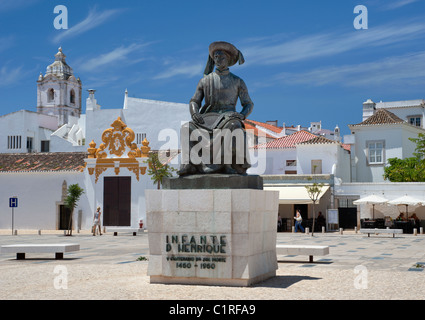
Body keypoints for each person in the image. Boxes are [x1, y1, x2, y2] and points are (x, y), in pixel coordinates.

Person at [178, 41, 254, 176]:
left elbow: (248, 104)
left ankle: (227, 165)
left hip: (227, 117)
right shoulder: (205, 81)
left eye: (222, 57)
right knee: (186, 128)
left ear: (229, 59)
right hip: (207, 119)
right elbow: (194, 100)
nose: (218, 60)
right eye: (216, 57)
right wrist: (194, 112)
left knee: (234, 126)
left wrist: (241, 115)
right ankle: (188, 165)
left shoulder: (237, 81)